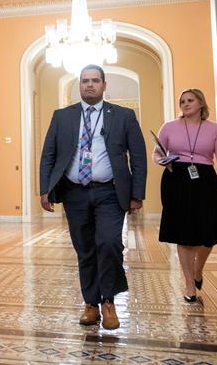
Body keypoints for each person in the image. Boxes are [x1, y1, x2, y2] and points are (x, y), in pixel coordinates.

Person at [39, 64, 147, 330]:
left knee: (109, 243)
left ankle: (108, 301)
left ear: (104, 85)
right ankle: (91, 303)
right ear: (79, 84)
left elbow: (139, 157)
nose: (89, 85)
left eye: (95, 81)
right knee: (85, 249)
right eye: (85, 80)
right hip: (74, 193)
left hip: (110, 191)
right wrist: (45, 189)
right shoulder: (62, 116)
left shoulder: (123, 115)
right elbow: (48, 155)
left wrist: (137, 194)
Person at [153, 88, 217, 303]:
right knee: (183, 231)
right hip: (176, 179)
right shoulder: (169, 127)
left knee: (210, 230)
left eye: (190, 100)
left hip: (205, 179)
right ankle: (189, 284)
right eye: (182, 101)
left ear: (201, 103)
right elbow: (157, 152)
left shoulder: (215, 129)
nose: (185, 104)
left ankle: (197, 269)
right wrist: (162, 161)